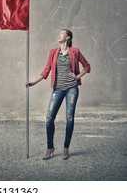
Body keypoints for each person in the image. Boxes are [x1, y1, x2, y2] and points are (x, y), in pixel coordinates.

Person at [26, 29, 91, 160]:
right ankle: (50, 147)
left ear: (68, 37)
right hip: (58, 89)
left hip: (72, 89)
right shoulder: (53, 52)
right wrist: (33, 82)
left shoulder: (75, 51)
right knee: (49, 119)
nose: (59, 34)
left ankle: (66, 148)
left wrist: (77, 76)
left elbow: (87, 66)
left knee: (69, 118)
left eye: (62, 33)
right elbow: (46, 70)